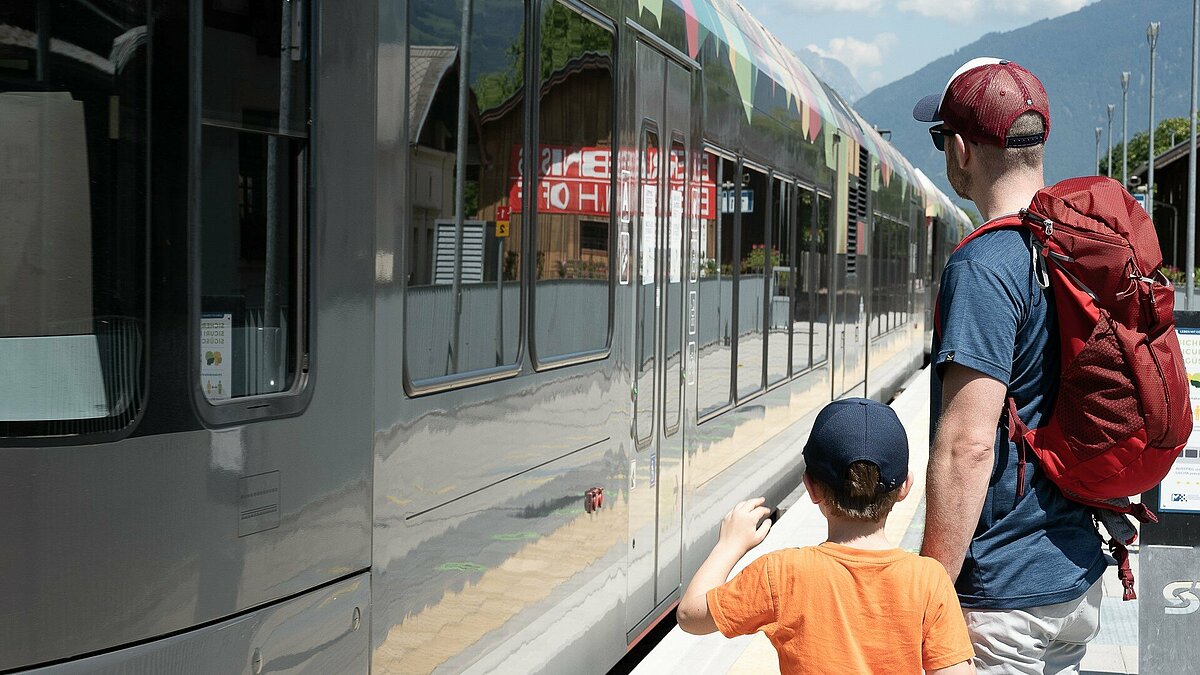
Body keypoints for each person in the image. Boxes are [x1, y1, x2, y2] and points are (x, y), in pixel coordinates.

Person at [913, 58, 1108, 673]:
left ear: (962, 149)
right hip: (1073, 574)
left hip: (1004, 597)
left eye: (941, 138)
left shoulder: (986, 263)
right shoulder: (1079, 249)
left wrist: (927, 594)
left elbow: (966, 445)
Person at [677, 398, 975, 675]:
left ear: (812, 487)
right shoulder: (928, 579)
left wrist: (729, 545)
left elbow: (691, 615)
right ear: (905, 488)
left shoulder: (781, 574)